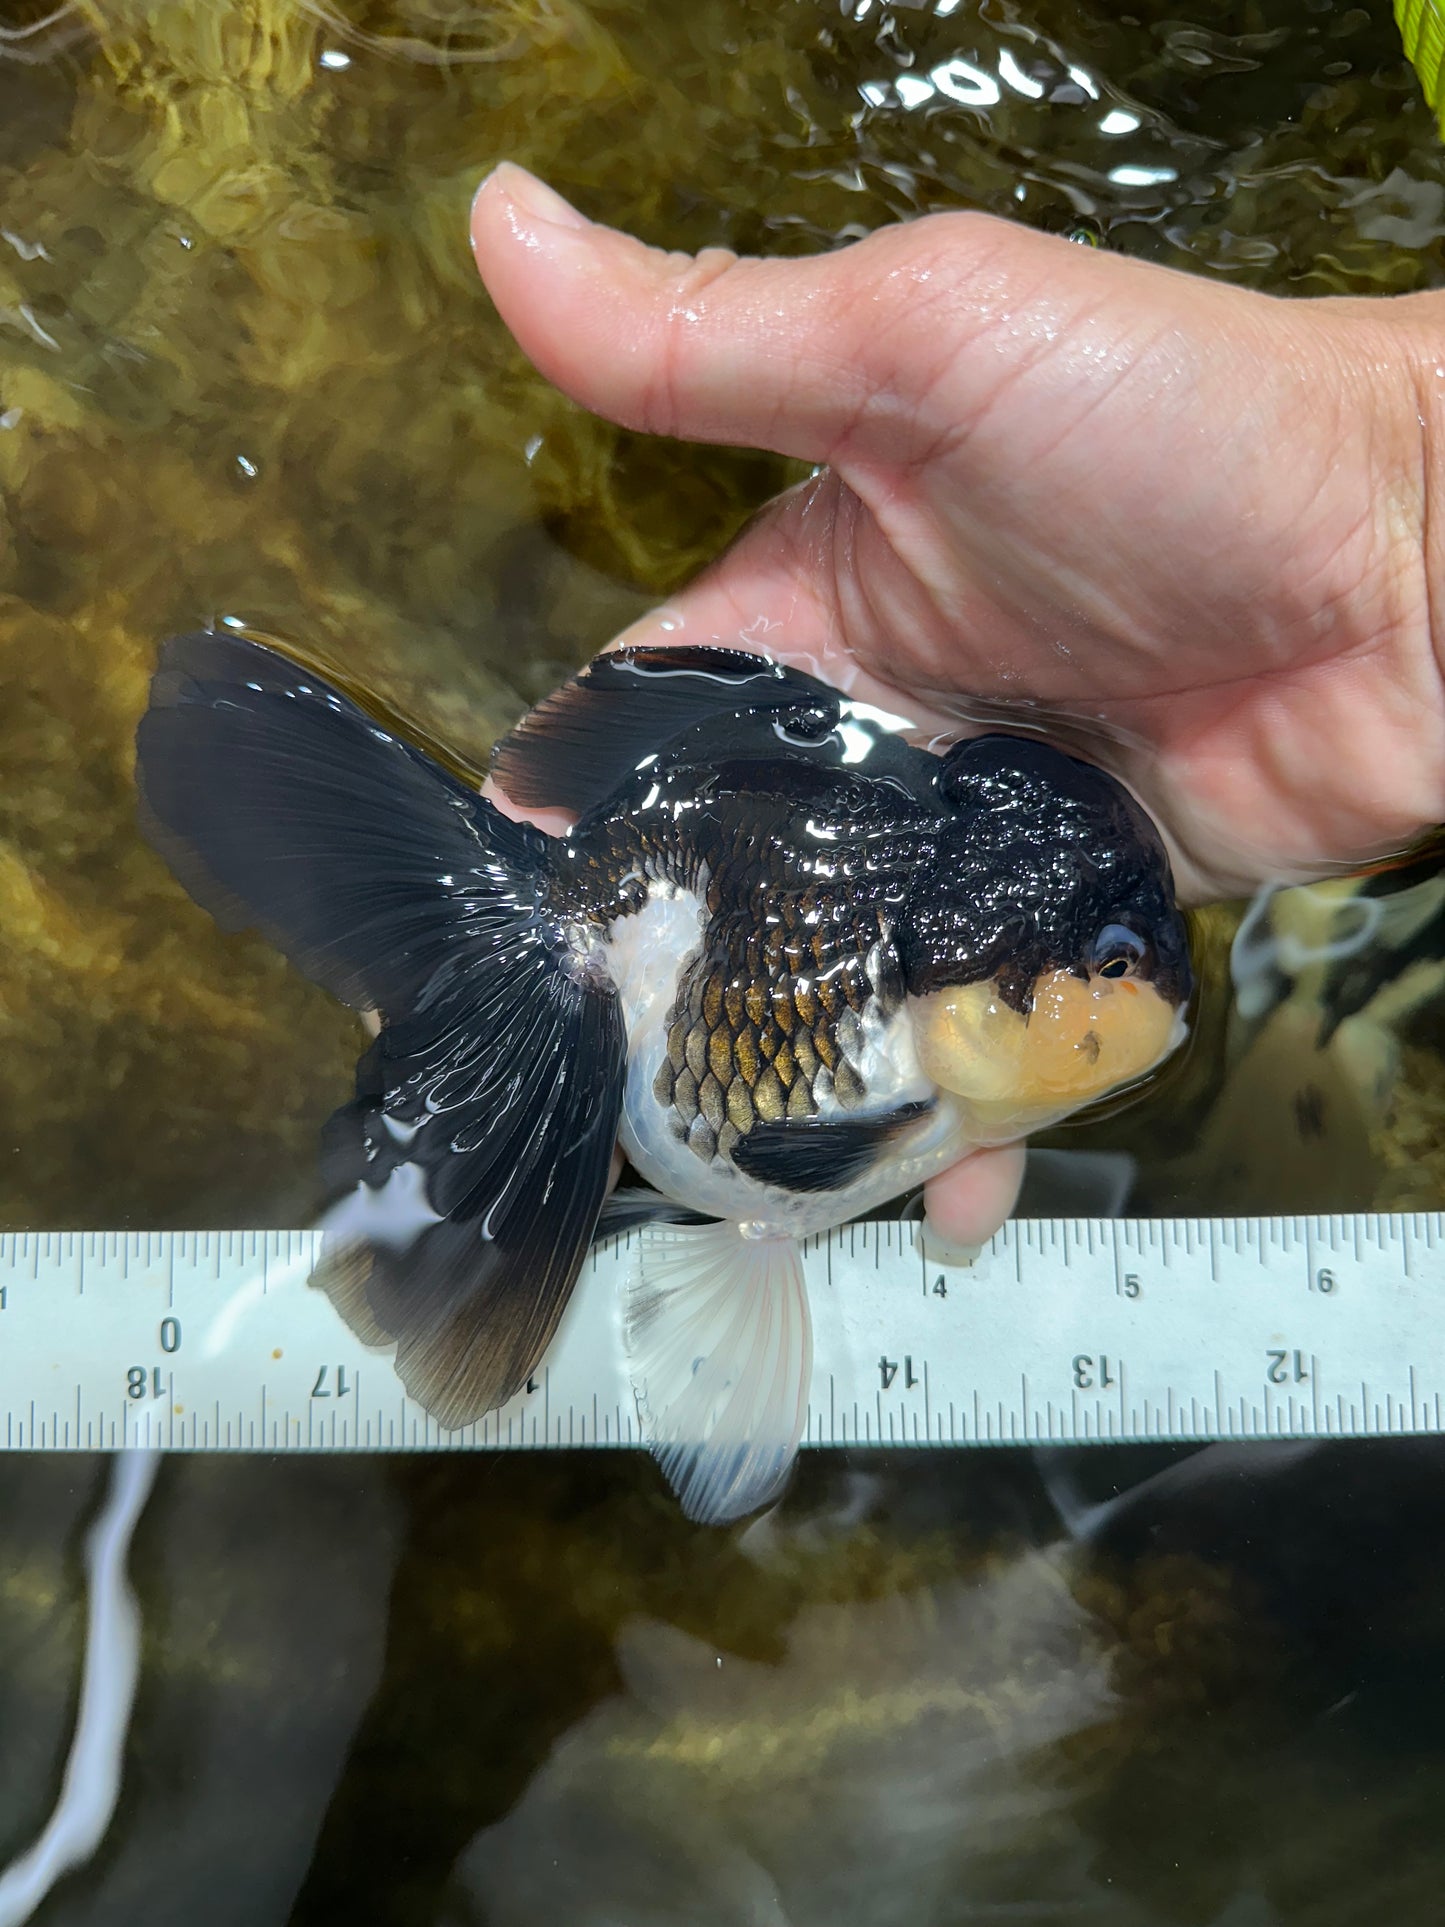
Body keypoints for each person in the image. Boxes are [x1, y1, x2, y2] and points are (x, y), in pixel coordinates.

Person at [468, 162, 1445, 1247]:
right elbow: (786, 1154)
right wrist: (1399, 466)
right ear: (995, 987)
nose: (1141, 995)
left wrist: (1407, 464)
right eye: (1111, 969)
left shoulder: (930, 1049)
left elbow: (783, 1153)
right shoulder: (918, 1044)